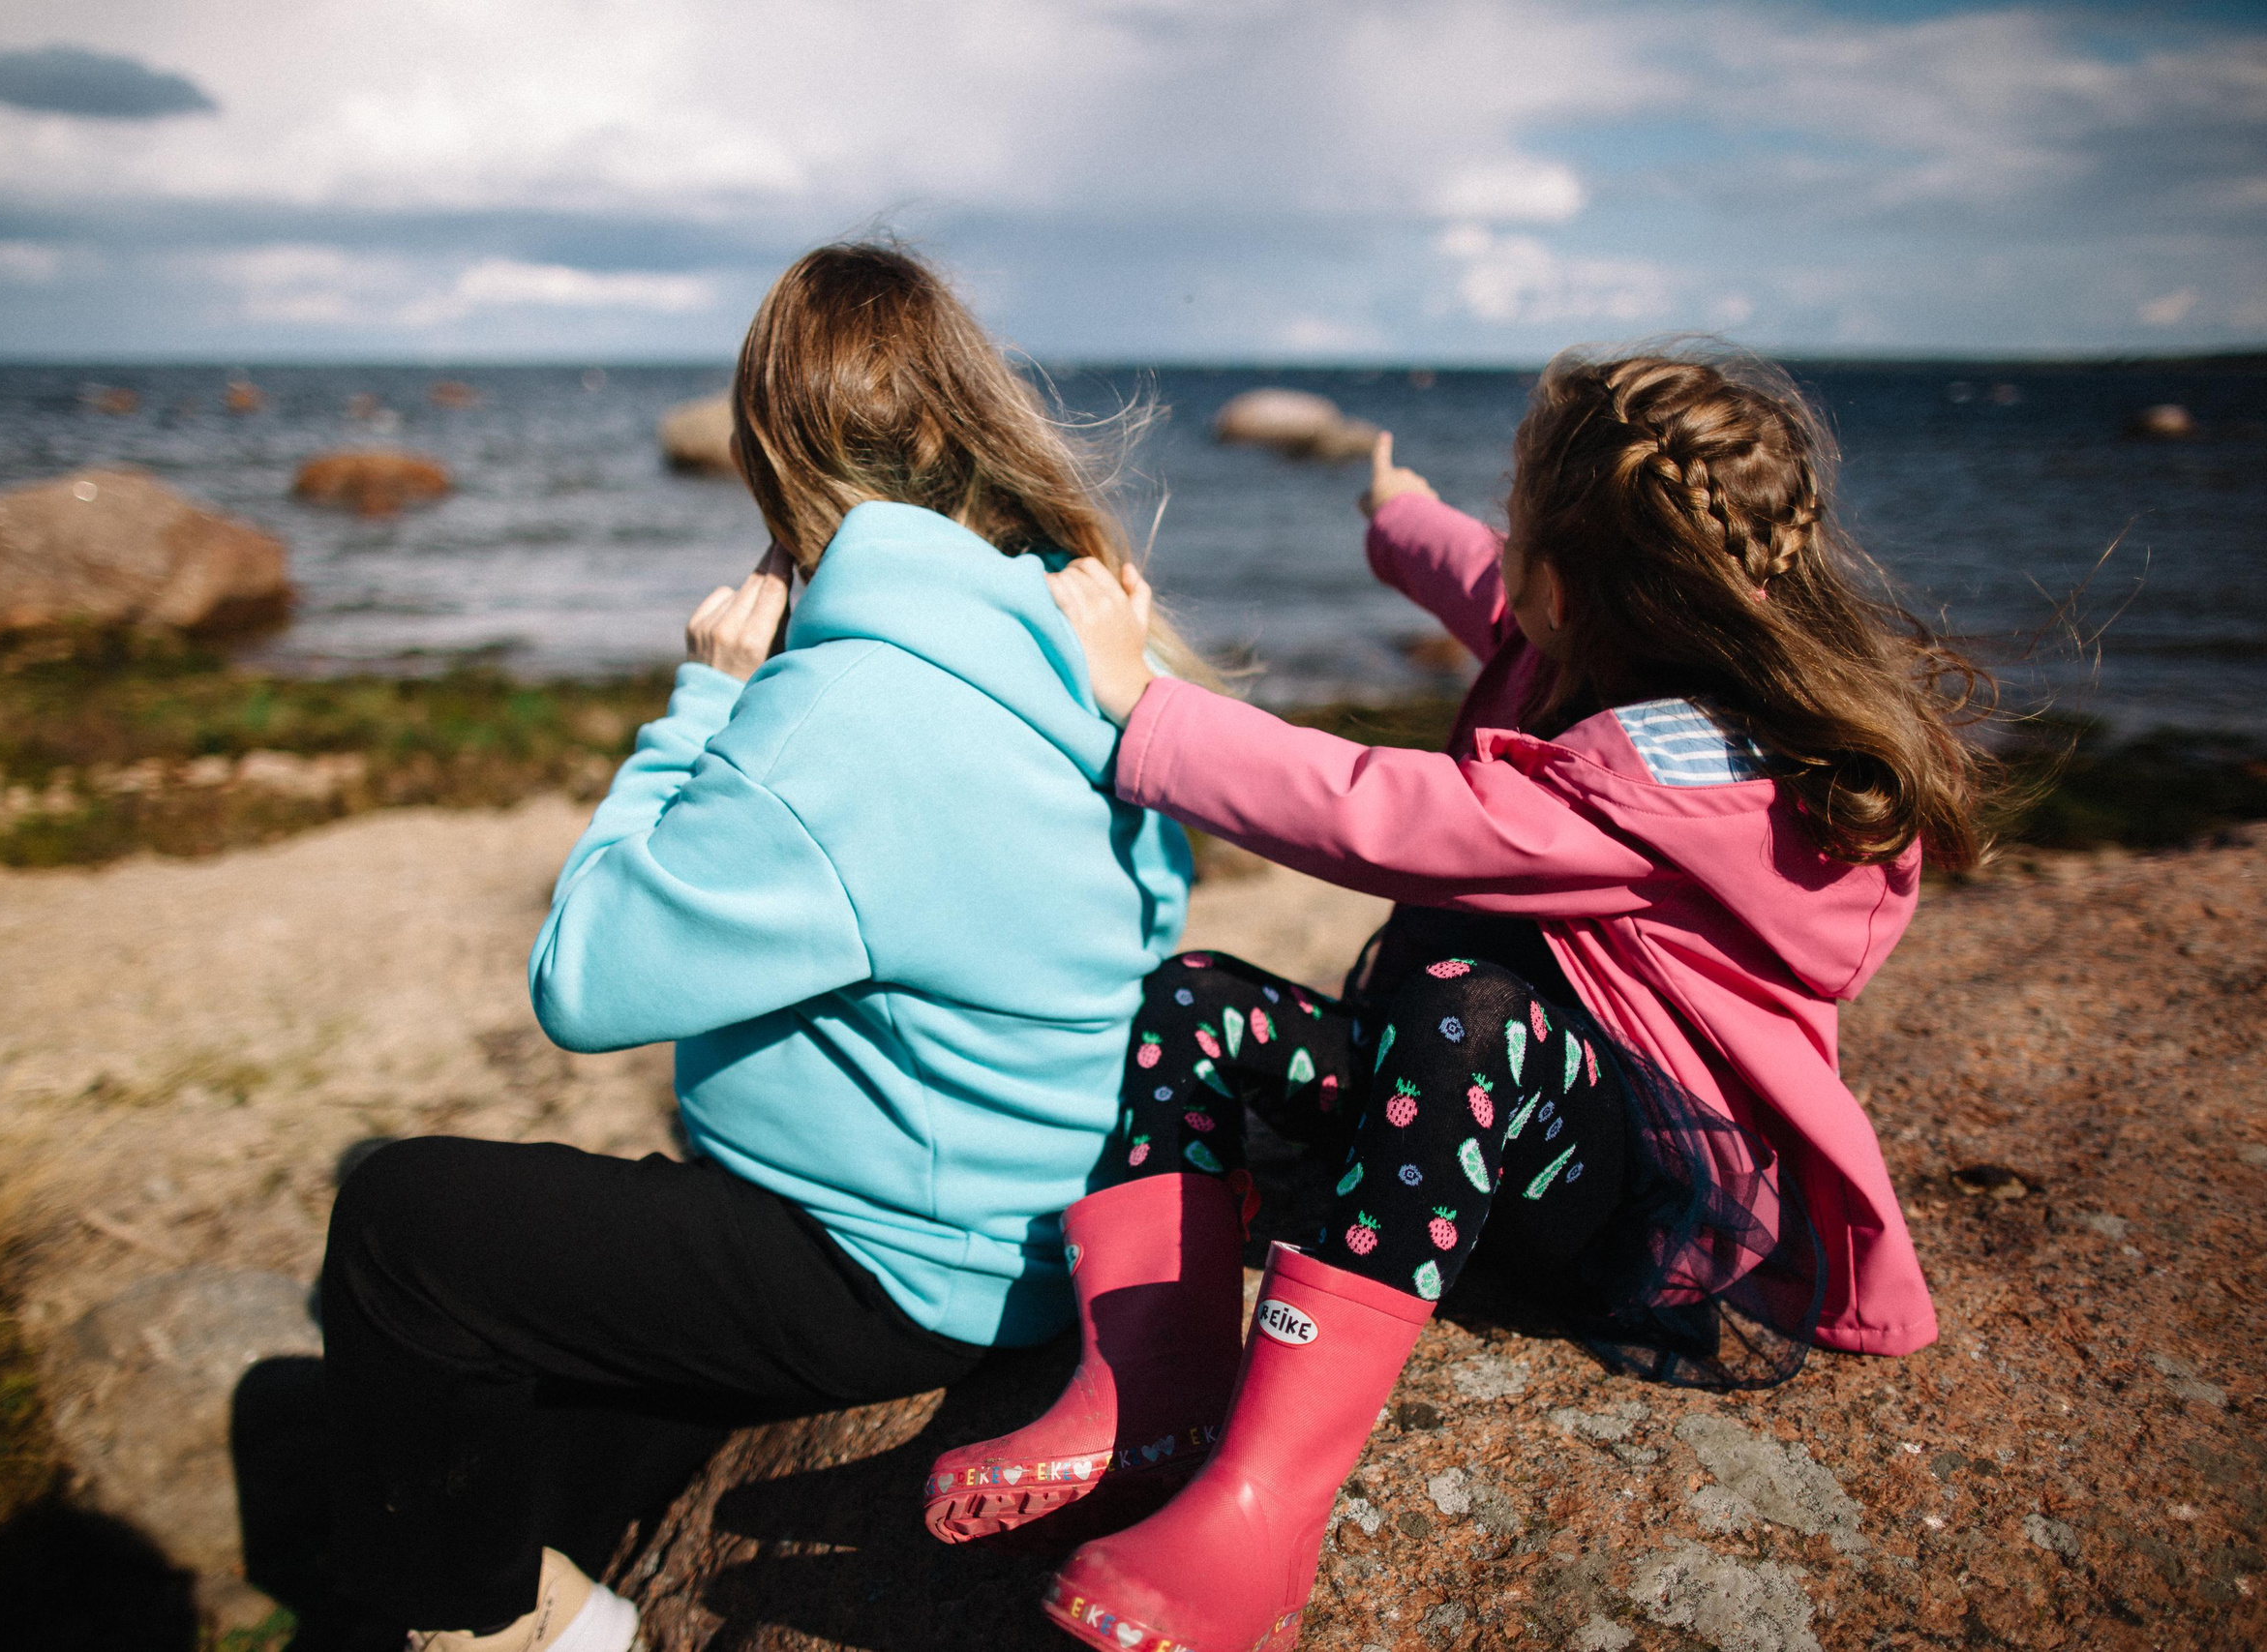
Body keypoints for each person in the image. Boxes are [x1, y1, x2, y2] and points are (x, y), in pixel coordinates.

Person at [951, 346, 1986, 1652]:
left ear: (1564, 582)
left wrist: (1141, 703)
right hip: (1440, 1118)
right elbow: (1475, 577)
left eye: (1517, 529)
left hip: (1606, 1197)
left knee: (1467, 1012)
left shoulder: (1668, 782)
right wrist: (1398, 518)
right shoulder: (1575, 637)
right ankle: (1151, 1381)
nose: (1497, 555)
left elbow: (1385, 816)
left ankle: (1266, 1508)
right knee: (1192, 1001)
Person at [313, 243, 1211, 1651]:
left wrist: (704, 704)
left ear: (768, 454)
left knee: (396, 1226)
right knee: (556, 1392)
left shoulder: (839, 713)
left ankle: (502, 1634)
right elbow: (1151, 917)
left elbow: (585, 981)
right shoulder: (1083, 649)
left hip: (895, 1263)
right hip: (1037, 1229)